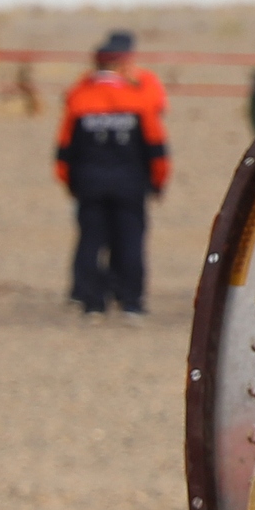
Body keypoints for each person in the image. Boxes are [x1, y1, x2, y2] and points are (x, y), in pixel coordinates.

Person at [57, 30, 171, 318]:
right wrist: (158, 182)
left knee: (91, 241)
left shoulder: (79, 98)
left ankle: (92, 302)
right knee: (130, 242)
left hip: (90, 184)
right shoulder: (139, 99)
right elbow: (156, 147)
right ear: (122, 64)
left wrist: (71, 183)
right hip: (130, 184)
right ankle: (131, 302)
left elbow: (64, 150)